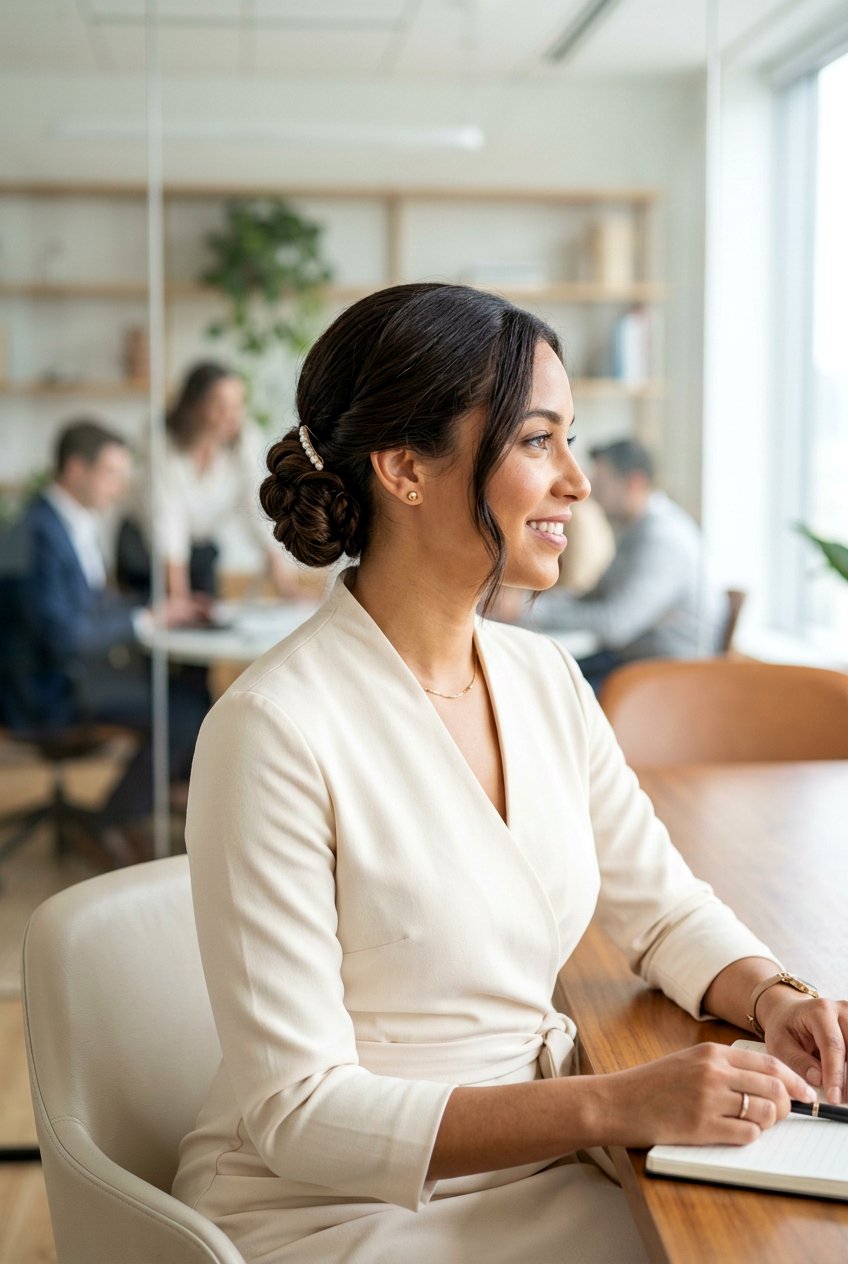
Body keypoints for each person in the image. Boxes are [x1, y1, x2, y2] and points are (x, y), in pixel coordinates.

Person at [172, 284, 847, 1264]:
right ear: (404, 467)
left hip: (543, 1166)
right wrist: (614, 1103)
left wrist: (778, 1000)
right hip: (337, 1211)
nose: (575, 481)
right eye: (538, 440)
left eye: (571, 440)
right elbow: (300, 1113)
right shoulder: (272, 730)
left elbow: (663, 910)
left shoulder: (543, 679)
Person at [9, 419, 208, 858]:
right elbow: (63, 636)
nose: (120, 489)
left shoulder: (68, 523)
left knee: (193, 692)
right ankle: (107, 825)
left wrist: (155, 610)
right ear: (76, 469)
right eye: (112, 474)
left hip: (73, 673)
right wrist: (146, 620)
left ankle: (159, 804)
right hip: (46, 691)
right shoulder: (37, 532)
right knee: (181, 715)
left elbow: (91, 605)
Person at [520, 438, 718, 692]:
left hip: (666, 680)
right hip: (630, 662)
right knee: (542, 674)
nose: (590, 492)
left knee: (545, 689)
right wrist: (528, 603)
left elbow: (615, 624)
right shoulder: (637, 529)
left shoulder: (663, 539)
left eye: (601, 483)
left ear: (634, 482)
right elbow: (594, 597)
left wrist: (528, 612)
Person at [117, 360, 304, 602]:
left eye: (237, 405)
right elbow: (168, 520)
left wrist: (284, 582)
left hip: (199, 550)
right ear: (193, 406)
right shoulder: (160, 441)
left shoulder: (245, 439)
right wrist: (179, 598)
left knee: (207, 614)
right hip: (145, 552)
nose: (231, 416)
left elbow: (255, 505)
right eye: (220, 406)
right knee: (157, 617)